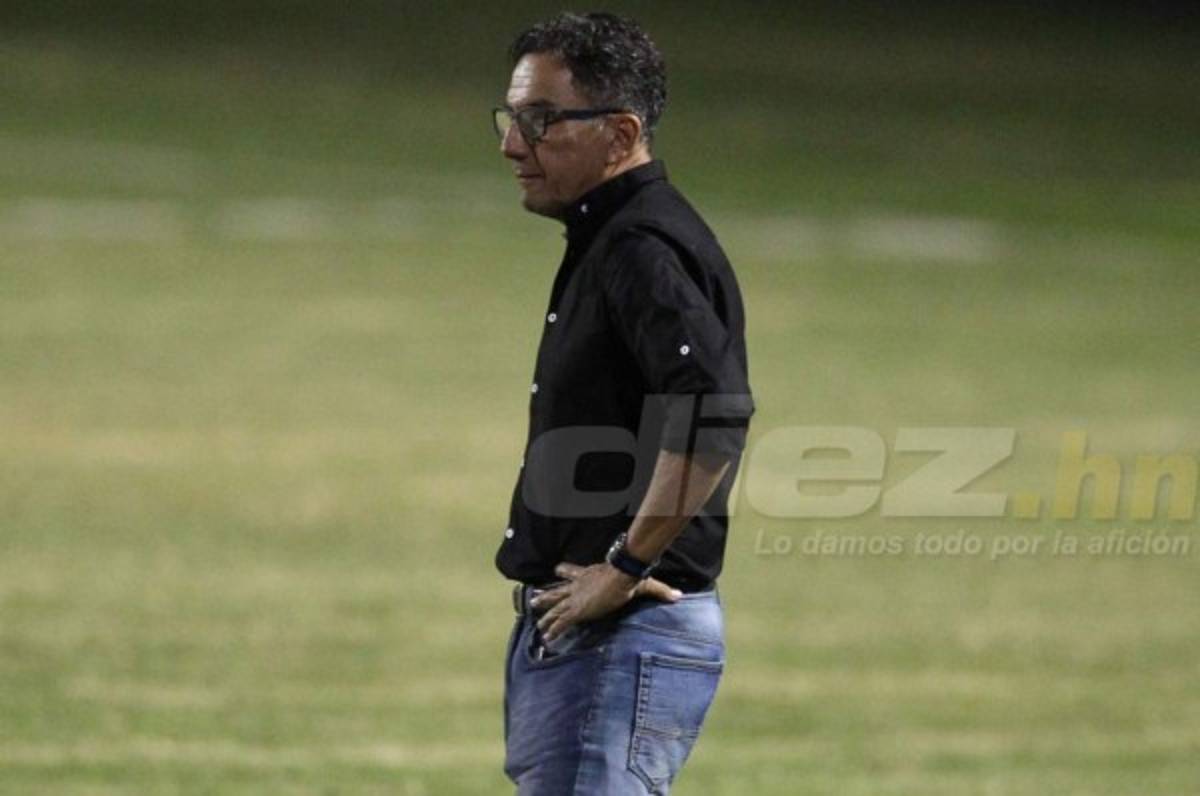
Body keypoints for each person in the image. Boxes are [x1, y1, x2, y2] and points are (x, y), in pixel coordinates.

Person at [492, 12, 754, 795]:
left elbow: (712, 409)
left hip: (625, 631)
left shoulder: (641, 247)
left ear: (621, 132)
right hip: (595, 631)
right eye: (511, 118)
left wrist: (626, 564)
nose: (512, 145)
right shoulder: (612, 238)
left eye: (540, 121)